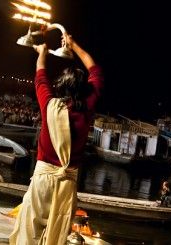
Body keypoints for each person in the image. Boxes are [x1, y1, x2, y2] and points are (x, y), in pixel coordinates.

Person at [10, 35, 102, 245]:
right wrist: (73, 44)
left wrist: (42, 52)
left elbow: (40, 74)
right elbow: (95, 71)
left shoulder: (49, 105)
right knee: (57, 237)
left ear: (62, 86)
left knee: (29, 231)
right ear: (84, 90)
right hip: (67, 184)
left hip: (44, 180)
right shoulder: (87, 109)